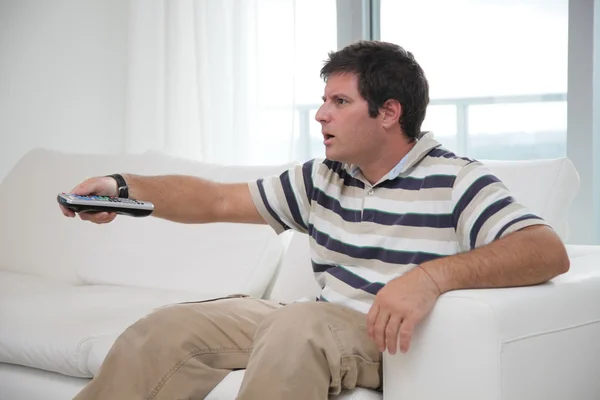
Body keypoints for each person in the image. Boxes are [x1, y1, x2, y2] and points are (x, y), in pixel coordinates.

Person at [60, 41, 570, 400]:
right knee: (171, 328)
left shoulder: (456, 180)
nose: (321, 114)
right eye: (324, 100)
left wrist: (430, 278)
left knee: (298, 323)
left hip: (384, 337)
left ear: (389, 112)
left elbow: (546, 249)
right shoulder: (323, 177)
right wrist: (124, 187)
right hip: (309, 323)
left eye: (339, 101)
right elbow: (215, 200)